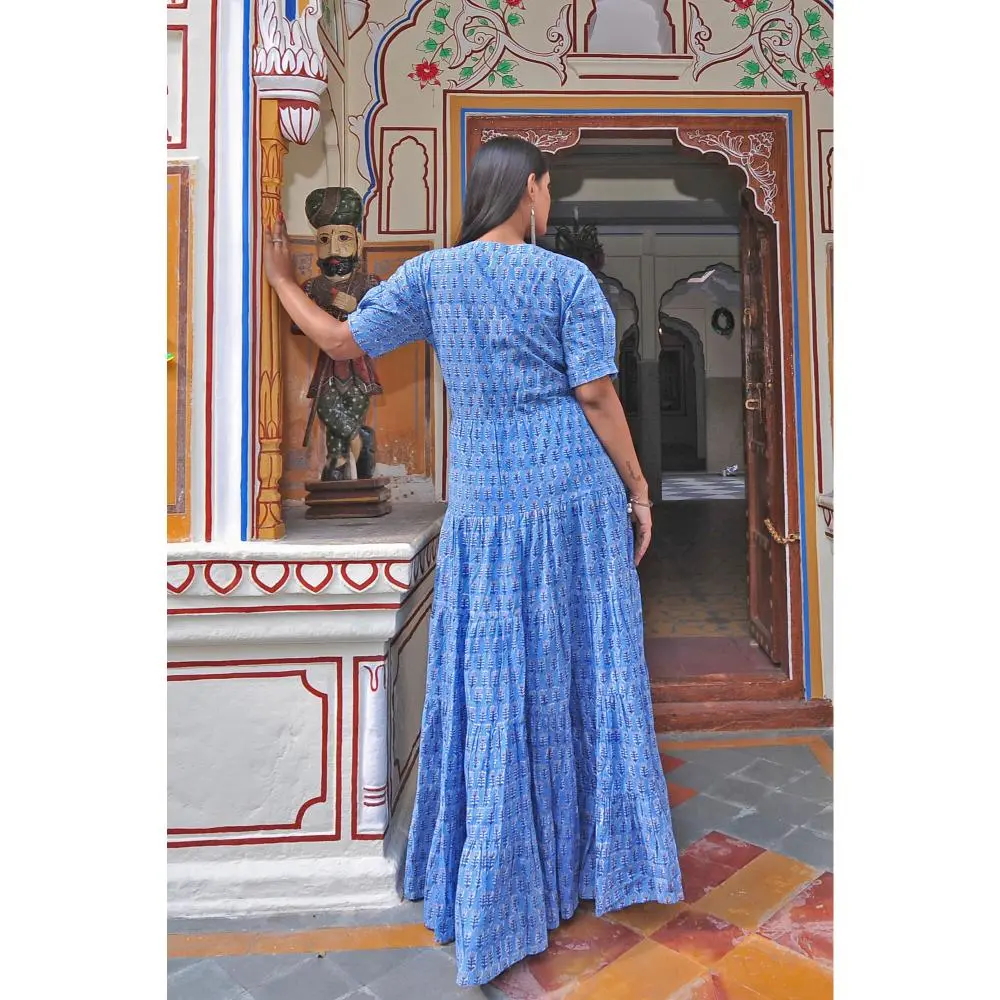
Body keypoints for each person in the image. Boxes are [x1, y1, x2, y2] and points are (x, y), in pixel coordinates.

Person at [263, 136, 683, 989]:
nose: (549, 204)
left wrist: (277, 279)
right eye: (548, 191)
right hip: (574, 496)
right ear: (530, 191)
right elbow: (595, 393)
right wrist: (639, 490)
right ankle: (584, 862)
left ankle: (501, 878)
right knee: (582, 668)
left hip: (487, 501)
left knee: (496, 678)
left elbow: (340, 341)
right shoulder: (567, 281)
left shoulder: (431, 275)